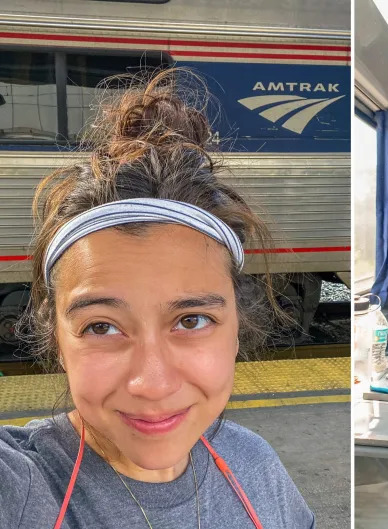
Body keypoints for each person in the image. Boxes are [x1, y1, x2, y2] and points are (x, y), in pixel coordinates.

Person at [0, 68, 314, 528]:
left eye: (191, 320)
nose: (153, 383)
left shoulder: (256, 466)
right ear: (58, 341)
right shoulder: (24, 490)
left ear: (237, 329)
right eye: (101, 326)